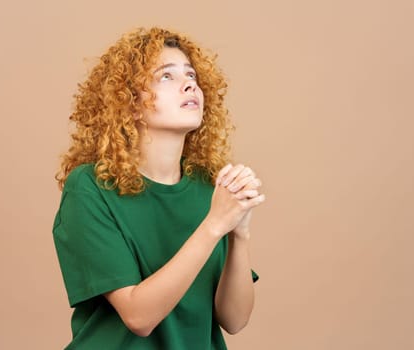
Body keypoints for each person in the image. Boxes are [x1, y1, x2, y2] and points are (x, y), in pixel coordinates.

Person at [52, 27, 265, 349]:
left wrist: (239, 234)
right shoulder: (90, 187)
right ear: (130, 103)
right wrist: (214, 225)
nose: (190, 84)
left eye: (191, 75)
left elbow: (234, 320)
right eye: (166, 76)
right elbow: (139, 317)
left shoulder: (209, 187)